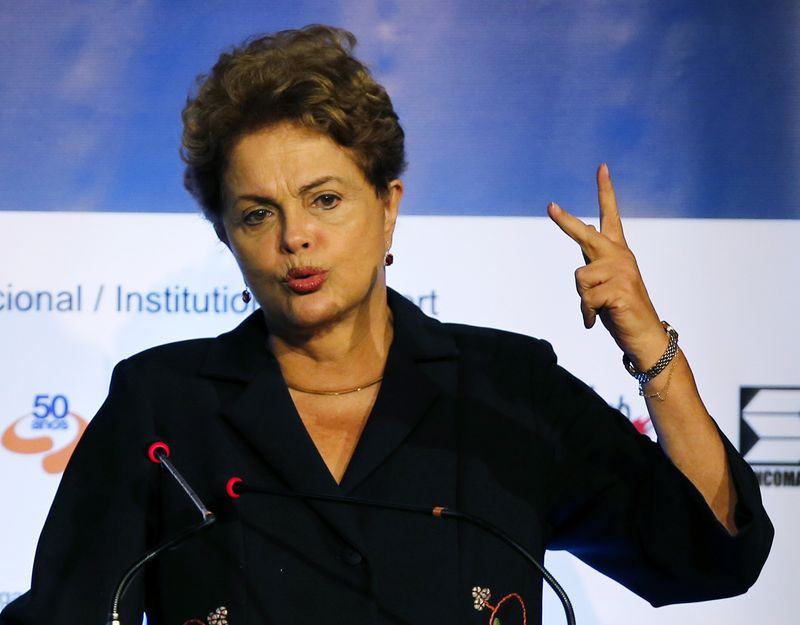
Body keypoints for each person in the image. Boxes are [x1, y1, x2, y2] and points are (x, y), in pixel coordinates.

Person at [0, 24, 772, 625]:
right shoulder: (161, 406)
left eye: (325, 198)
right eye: (257, 213)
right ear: (224, 235)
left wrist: (651, 350)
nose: (295, 236)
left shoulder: (505, 388)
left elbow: (705, 554)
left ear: (388, 206)